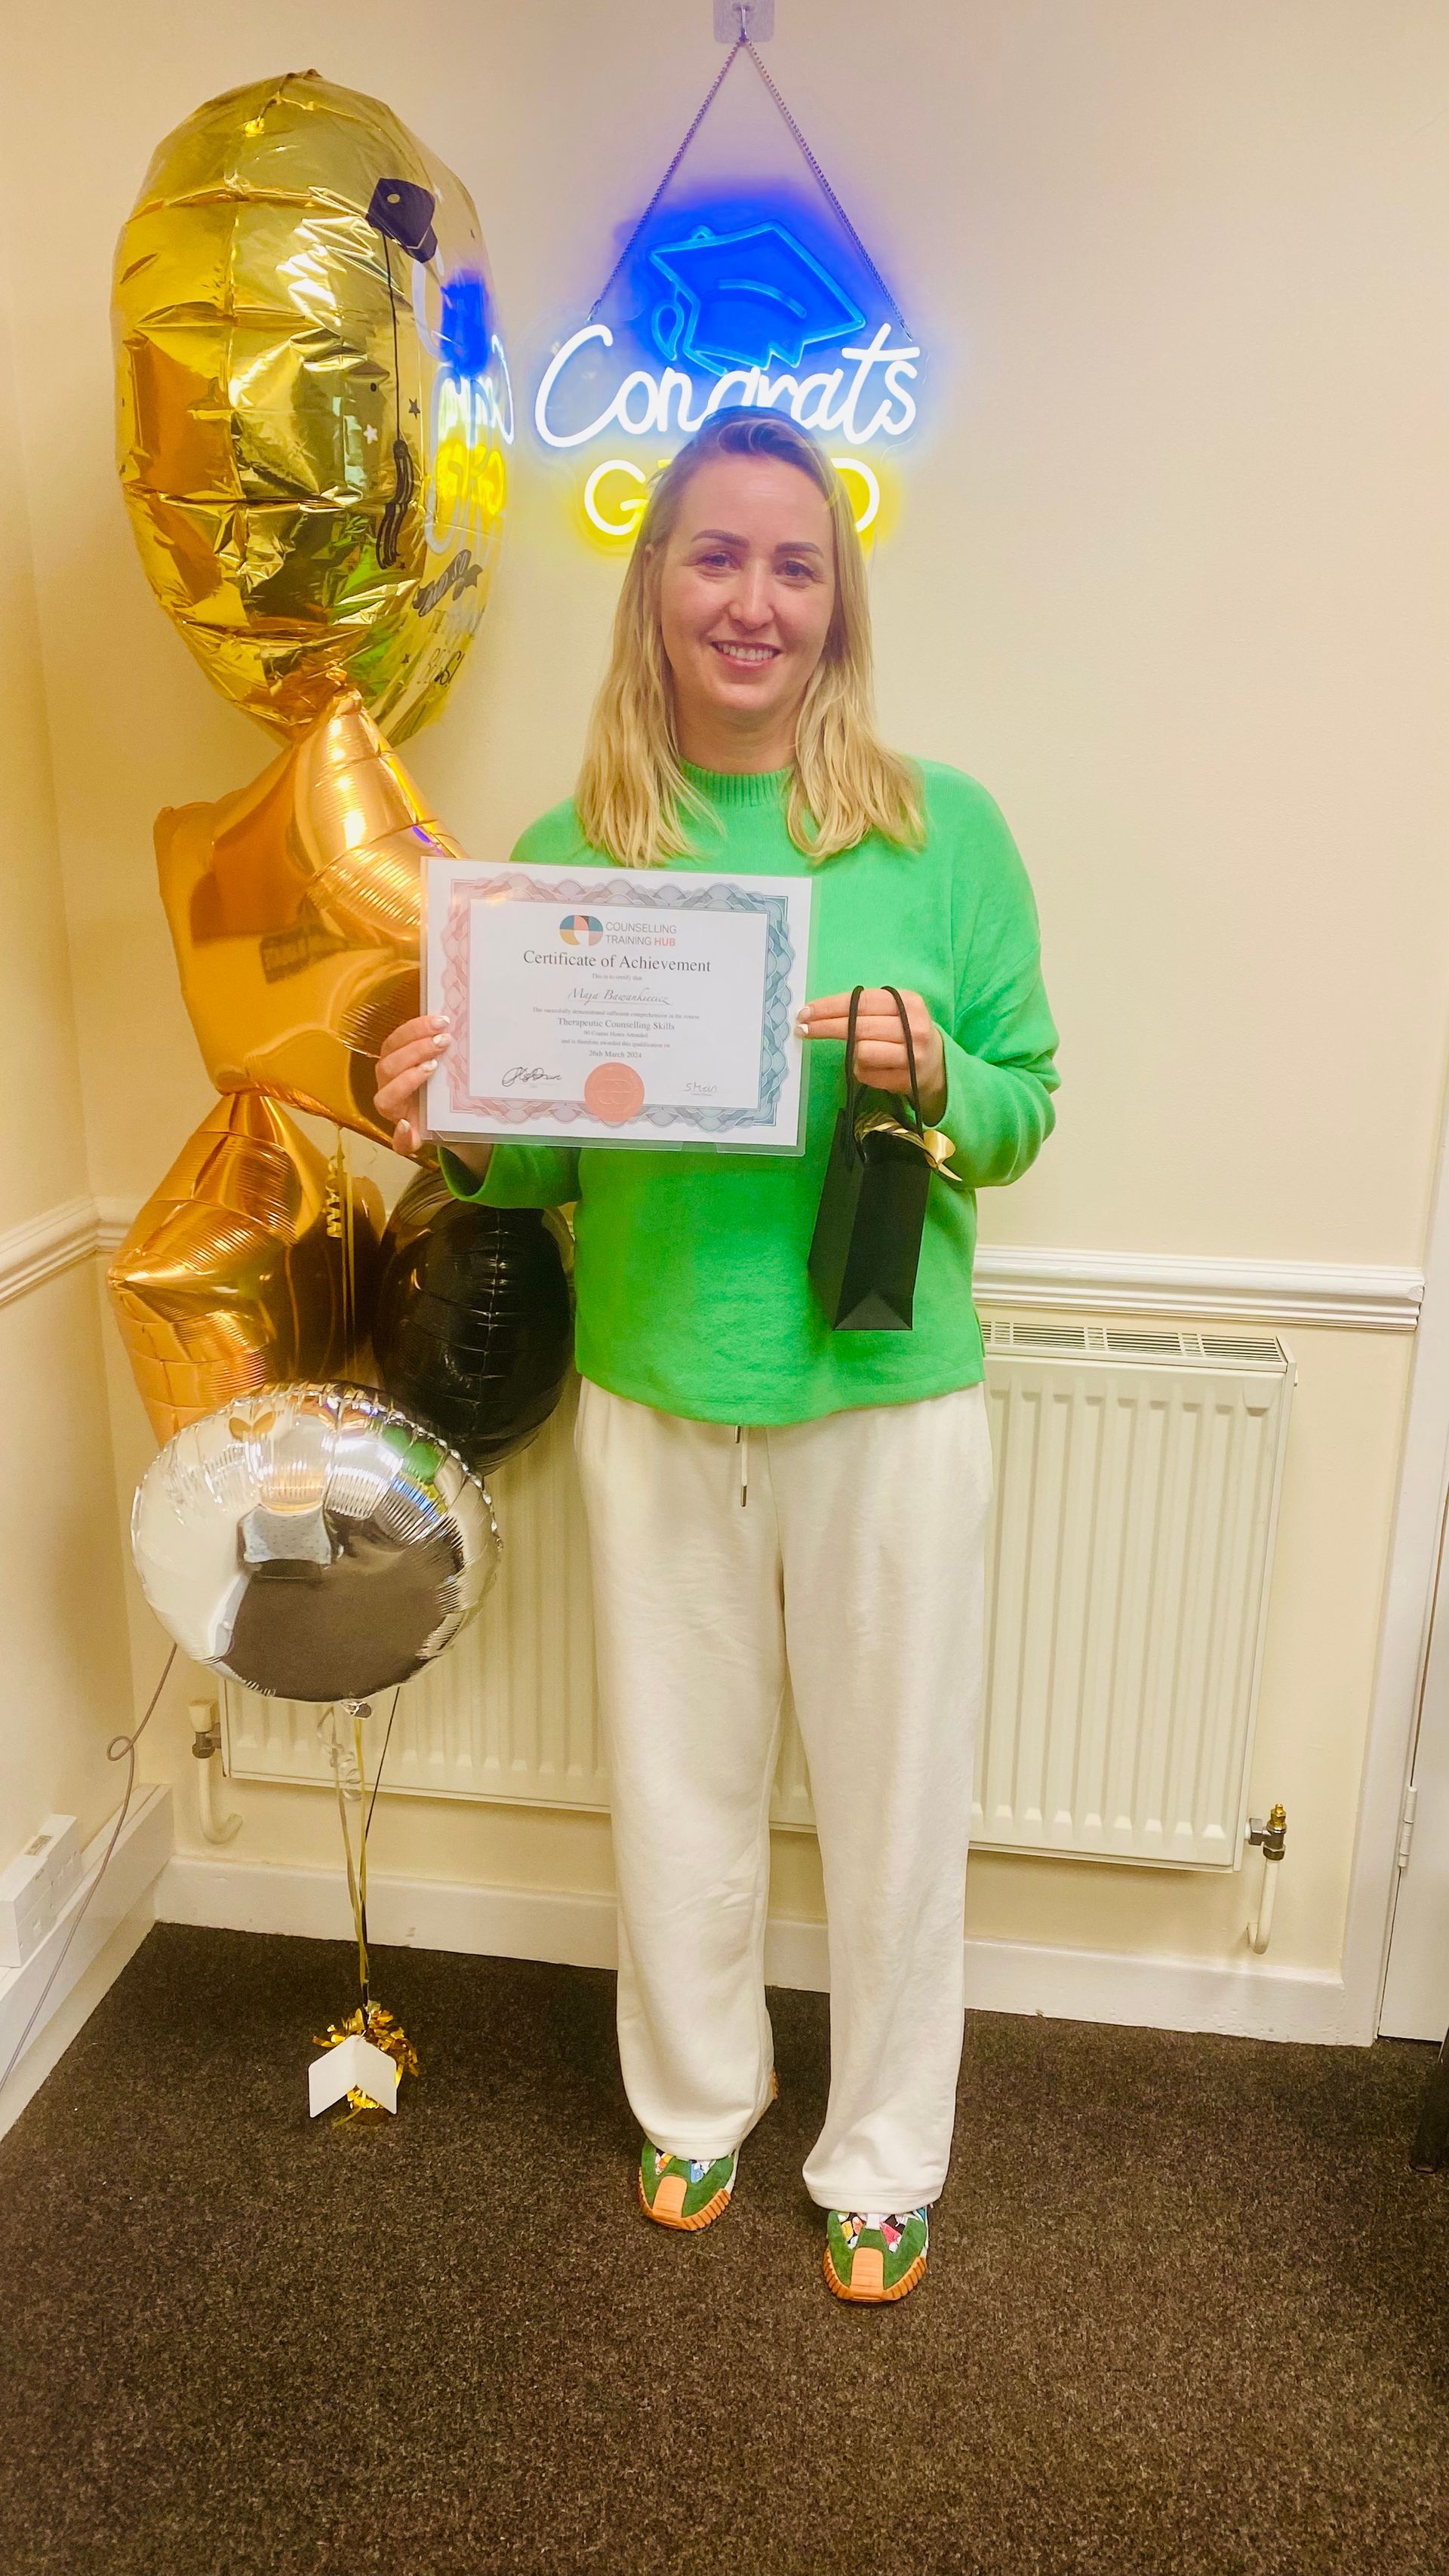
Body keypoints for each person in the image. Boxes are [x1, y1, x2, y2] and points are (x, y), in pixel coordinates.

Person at [375, 410, 1060, 2304]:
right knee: (676, 1781)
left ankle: (885, 2153)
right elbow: (529, 1160)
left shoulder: (944, 831)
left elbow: (1030, 1106)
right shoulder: (567, 849)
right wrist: (434, 1107)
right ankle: (695, 2106)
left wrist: (939, 1073)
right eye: (716, 557)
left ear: (839, 608)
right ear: (654, 589)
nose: (753, 600)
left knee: (900, 1789)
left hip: (883, 1388)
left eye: (794, 565)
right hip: (655, 1380)